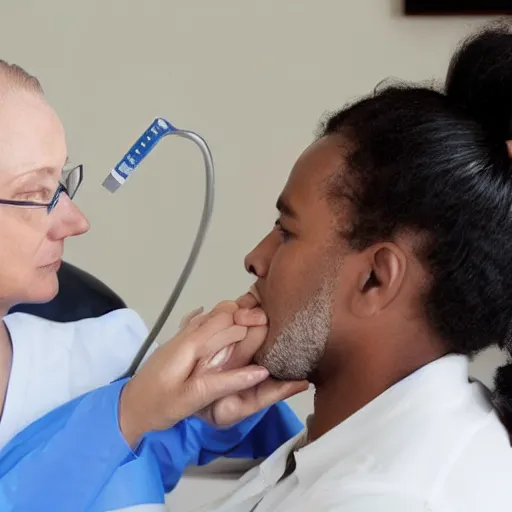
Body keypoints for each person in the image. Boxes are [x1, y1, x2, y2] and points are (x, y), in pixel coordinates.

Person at [201, 23, 512, 511]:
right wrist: (179, 418)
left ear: (375, 279)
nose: (255, 258)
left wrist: (130, 425)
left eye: (287, 232)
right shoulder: (359, 447)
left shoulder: (389, 499)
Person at [0, 60, 307, 510]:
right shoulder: (122, 395)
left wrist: (194, 410)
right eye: (33, 195)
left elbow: (133, 471)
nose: (76, 221)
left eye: (62, 183)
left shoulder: (108, 351)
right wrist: (124, 414)